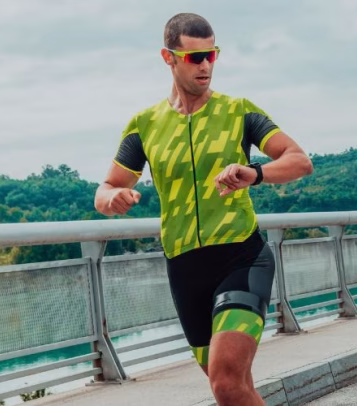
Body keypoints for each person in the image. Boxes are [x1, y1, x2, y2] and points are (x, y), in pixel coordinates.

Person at [93, 12, 313, 406]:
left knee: (226, 383)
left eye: (212, 55)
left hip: (240, 258)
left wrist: (254, 173)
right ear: (169, 58)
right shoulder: (145, 125)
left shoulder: (238, 111)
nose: (207, 65)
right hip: (184, 270)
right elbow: (106, 188)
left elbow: (299, 160)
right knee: (234, 388)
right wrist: (113, 198)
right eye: (196, 58)